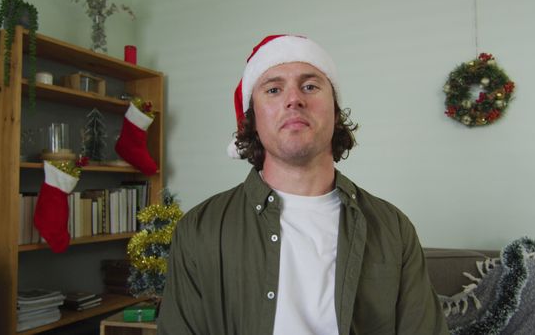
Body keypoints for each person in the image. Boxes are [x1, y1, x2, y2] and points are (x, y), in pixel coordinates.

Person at [158, 35, 448, 335]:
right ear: (253, 119)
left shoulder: (393, 229)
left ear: (335, 112)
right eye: (273, 89)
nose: (294, 99)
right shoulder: (199, 230)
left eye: (310, 86)